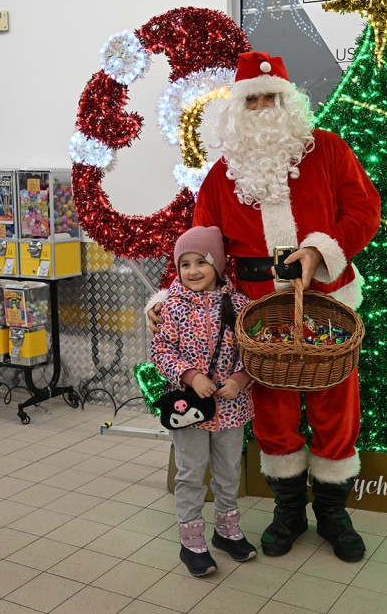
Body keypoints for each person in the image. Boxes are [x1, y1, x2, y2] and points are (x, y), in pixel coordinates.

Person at [149, 51, 381, 562]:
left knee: (335, 403)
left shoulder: (330, 151)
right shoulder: (219, 175)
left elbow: (365, 210)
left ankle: (334, 514)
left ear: (288, 101)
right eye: (250, 98)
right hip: (255, 309)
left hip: (324, 300)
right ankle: (289, 512)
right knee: (273, 410)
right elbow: (198, 248)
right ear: (236, 108)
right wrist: (170, 295)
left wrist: (320, 249)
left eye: (269, 97)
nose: (260, 106)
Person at [151, 226, 256, 577]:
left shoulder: (240, 306)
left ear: (219, 264)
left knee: (228, 473)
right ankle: (191, 541)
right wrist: (189, 375)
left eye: (201, 262)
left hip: (231, 409)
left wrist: (241, 379)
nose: (192, 271)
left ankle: (227, 531)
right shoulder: (173, 307)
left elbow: (253, 352)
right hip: (188, 411)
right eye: (185, 264)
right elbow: (161, 350)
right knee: (191, 473)